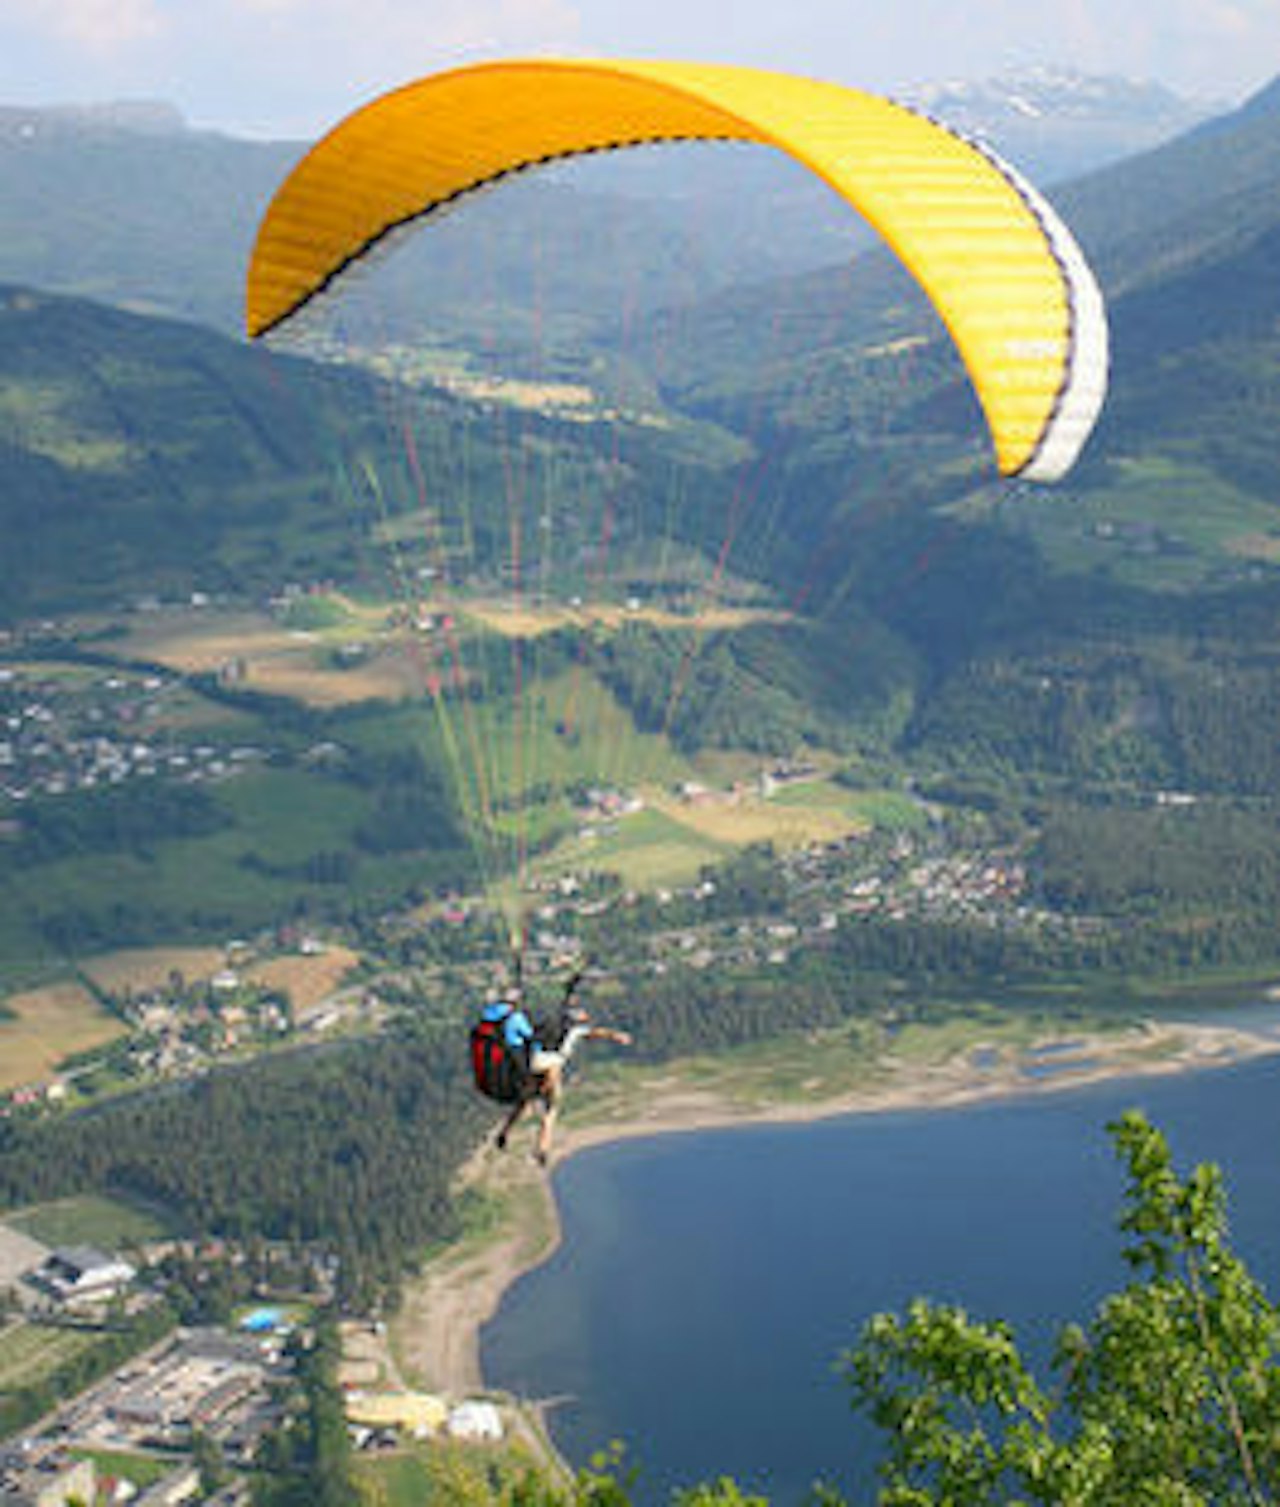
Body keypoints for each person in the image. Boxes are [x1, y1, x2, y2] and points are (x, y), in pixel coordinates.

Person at [493, 966, 632, 1166]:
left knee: (523, 1103)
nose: (586, 1015)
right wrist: (617, 1036)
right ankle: (541, 1149)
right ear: (578, 1018)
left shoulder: (556, 1019)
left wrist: (574, 982)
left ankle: (505, 1132)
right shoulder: (575, 1030)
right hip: (550, 1065)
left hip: (533, 1063)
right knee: (551, 1109)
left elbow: (566, 999)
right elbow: (597, 1032)